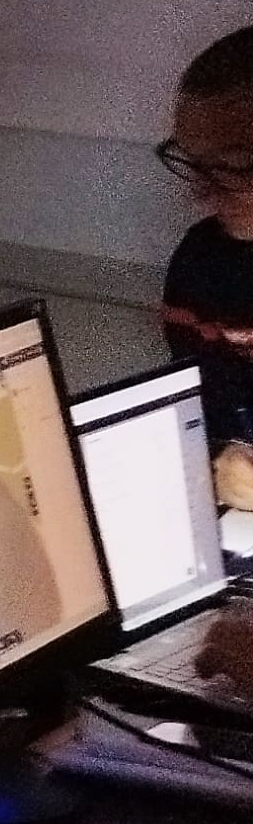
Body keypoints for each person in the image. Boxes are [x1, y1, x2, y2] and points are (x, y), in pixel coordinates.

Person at [163, 27, 253, 516]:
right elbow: (200, 418)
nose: (198, 192)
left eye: (230, 169)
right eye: (192, 163)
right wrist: (217, 458)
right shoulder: (202, 266)